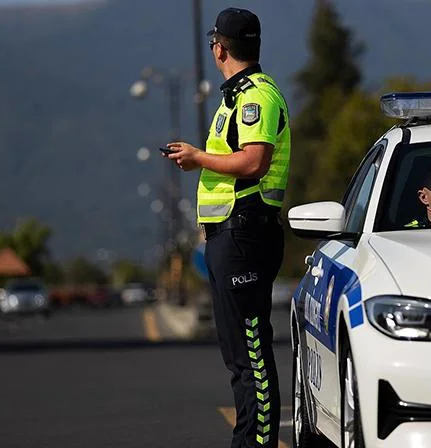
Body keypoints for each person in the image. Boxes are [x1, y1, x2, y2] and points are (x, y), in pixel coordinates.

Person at [164, 7, 289, 448]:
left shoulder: (256, 96)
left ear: (220, 48)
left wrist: (198, 158)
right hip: (228, 235)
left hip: (245, 234)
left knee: (251, 355)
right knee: (239, 357)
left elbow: (255, 162)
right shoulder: (234, 99)